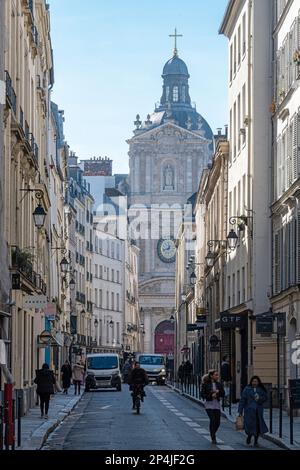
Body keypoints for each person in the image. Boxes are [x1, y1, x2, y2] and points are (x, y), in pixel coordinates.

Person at [238, 375, 268, 447]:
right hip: (249, 411)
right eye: (253, 381)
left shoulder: (260, 389)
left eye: (256, 381)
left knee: (257, 426)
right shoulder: (247, 389)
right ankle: (249, 436)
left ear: (258, 382)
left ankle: (256, 441)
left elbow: (265, 398)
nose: (254, 383)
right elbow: (242, 400)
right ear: (251, 382)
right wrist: (240, 411)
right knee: (249, 425)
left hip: (258, 411)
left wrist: (259, 398)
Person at [201, 370, 225, 444]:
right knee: (212, 419)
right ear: (211, 376)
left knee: (218, 422)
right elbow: (202, 394)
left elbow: (223, 394)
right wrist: (211, 395)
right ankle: (213, 437)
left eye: (217, 375)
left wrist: (218, 393)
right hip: (209, 404)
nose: (217, 376)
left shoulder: (219, 384)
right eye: (216, 375)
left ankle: (212, 432)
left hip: (216, 405)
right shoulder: (205, 384)